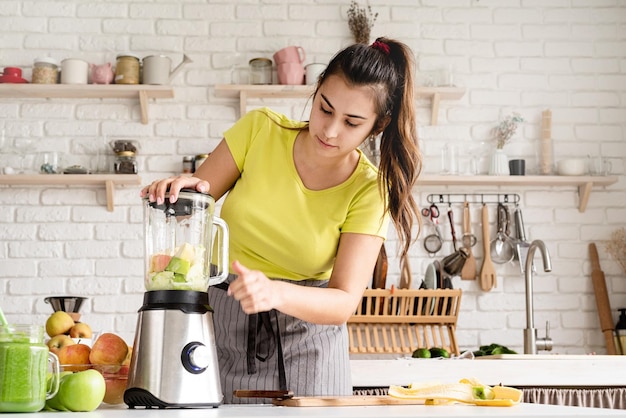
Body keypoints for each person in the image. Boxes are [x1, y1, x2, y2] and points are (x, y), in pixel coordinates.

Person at [141, 37, 421, 404]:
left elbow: (343, 302)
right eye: (325, 108)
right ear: (316, 90)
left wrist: (274, 292)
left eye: (352, 122)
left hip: (310, 345)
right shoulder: (259, 130)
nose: (330, 130)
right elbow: (197, 201)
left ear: (377, 125)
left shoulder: (369, 190)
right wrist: (178, 191)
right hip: (224, 327)